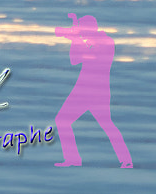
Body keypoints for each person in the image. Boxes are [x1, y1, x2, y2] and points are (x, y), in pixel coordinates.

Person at [54, 14, 132, 167]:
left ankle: (127, 160)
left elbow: (91, 57)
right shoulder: (89, 41)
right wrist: (75, 40)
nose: (81, 32)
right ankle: (73, 159)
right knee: (62, 121)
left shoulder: (106, 41)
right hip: (83, 89)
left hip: (97, 91)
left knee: (107, 125)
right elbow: (74, 60)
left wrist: (76, 40)